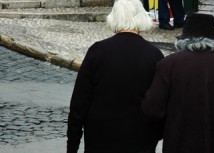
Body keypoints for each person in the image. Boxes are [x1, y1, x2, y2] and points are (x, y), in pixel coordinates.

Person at [142, 13, 214, 153]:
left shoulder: (168, 65)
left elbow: (152, 108)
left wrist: (163, 131)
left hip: (179, 145)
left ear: (183, 39)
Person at [67, 0, 164, 153]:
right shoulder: (154, 55)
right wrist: (154, 134)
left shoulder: (97, 51)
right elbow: (160, 104)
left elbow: (79, 103)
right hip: (140, 138)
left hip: (100, 138)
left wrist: (72, 146)